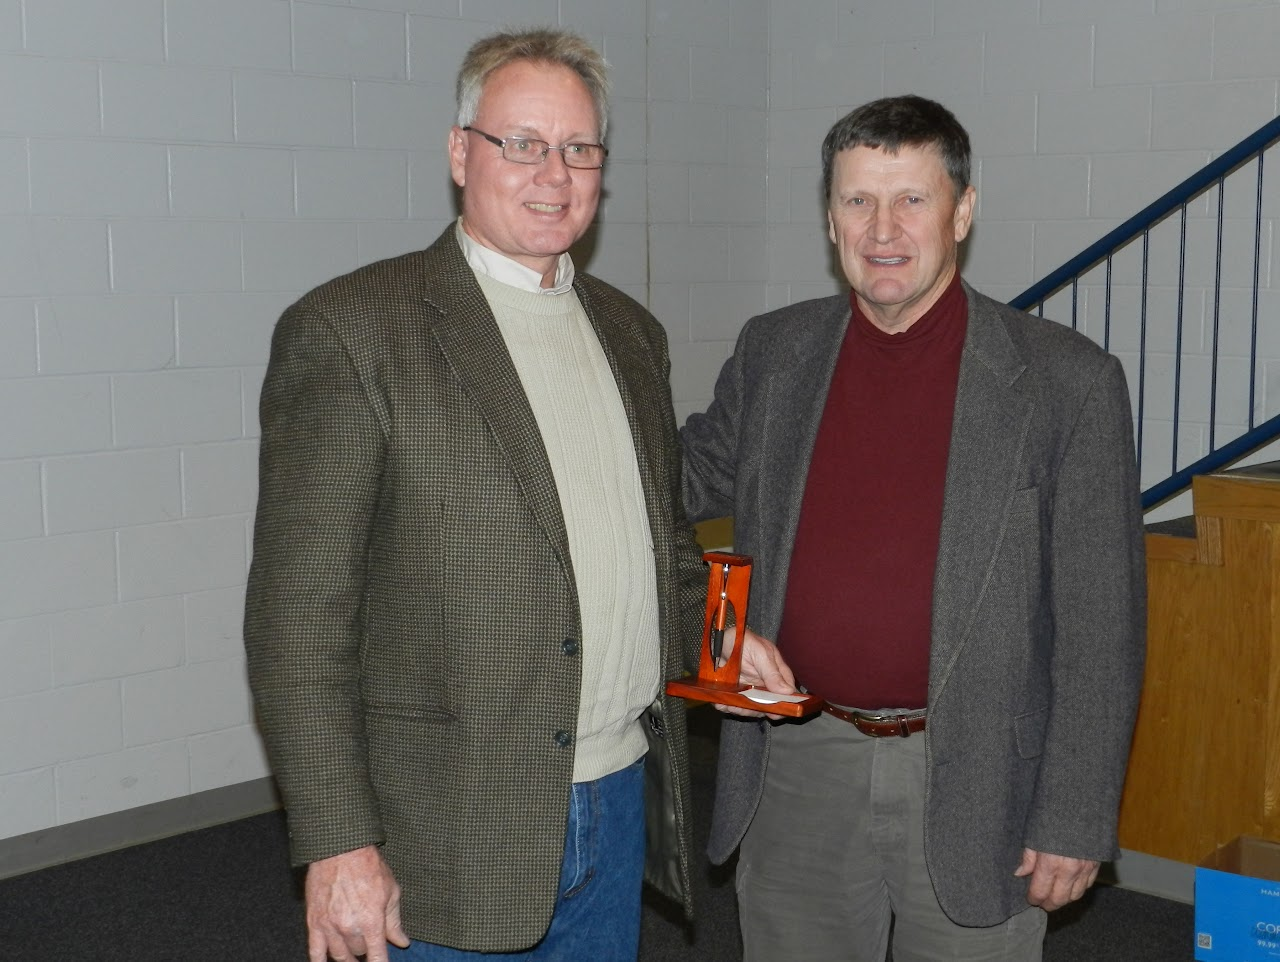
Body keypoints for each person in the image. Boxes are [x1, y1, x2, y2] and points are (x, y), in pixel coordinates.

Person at [244, 28, 712, 962]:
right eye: (522, 143)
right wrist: (338, 842)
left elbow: (665, 557)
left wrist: (737, 648)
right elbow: (298, 622)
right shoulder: (355, 331)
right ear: (462, 153)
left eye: (580, 148)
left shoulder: (632, 334)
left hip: (618, 802)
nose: (555, 172)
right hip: (445, 826)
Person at [680, 94, 1146, 962]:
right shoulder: (774, 354)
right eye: (858, 200)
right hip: (796, 761)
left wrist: (1075, 815)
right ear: (829, 218)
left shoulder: (1066, 383)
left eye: (913, 200)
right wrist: (713, 620)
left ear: (963, 212)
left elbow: (1100, 626)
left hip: (978, 772)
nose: (883, 228)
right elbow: (663, 492)